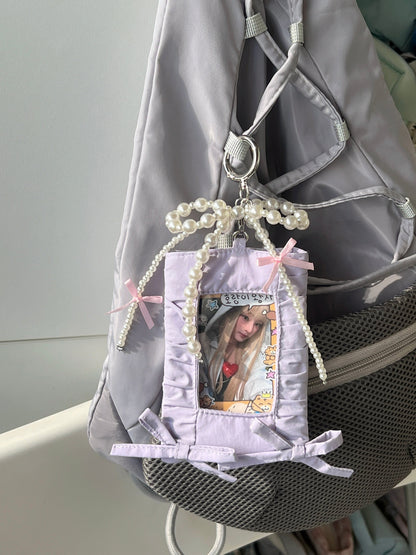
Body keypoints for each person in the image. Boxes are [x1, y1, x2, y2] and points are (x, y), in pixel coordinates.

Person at [200, 304, 270, 403]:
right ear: (231, 313)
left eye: (257, 324)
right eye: (245, 318)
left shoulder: (256, 358)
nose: (249, 329)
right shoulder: (203, 344)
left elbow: (261, 383)